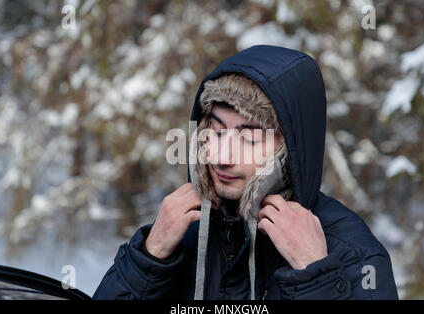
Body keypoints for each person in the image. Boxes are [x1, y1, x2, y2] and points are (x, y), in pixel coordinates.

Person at [92, 45, 398, 300]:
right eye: (217, 131)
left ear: (291, 147)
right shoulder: (181, 232)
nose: (222, 158)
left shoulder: (353, 254)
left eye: (250, 138)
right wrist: (147, 260)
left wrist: (315, 276)